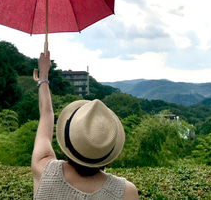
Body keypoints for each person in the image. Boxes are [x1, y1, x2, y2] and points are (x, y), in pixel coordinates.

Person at [31, 51, 139, 200]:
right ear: (109, 154)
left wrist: (43, 77)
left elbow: (46, 113)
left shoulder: (44, 170)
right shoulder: (126, 192)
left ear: (67, 142)